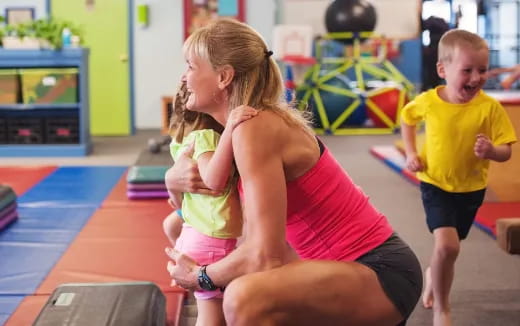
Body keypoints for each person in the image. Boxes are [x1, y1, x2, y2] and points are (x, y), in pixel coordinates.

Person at [164, 18, 422, 326]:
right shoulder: (234, 132)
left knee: (244, 297)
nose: (184, 77)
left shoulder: (254, 127)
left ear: (223, 77)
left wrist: (200, 276)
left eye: (191, 66)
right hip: (331, 269)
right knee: (238, 278)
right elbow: (221, 222)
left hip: (378, 272)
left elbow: (263, 255)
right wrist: (172, 182)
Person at [401, 29, 517, 326]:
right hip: (435, 183)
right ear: (443, 69)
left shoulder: (489, 108)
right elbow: (407, 118)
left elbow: (507, 151)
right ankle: (443, 308)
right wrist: (411, 153)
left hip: (471, 188)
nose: (477, 77)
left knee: (449, 251)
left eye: (482, 70)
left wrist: (492, 150)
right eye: (467, 70)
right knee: (448, 246)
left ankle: (433, 274)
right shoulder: (429, 101)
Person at [163, 78, 257, 326]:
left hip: (195, 232)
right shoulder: (205, 137)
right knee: (211, 313)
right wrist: (230, 129)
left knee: (213, 305)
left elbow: (178, 199)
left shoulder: (179, 141)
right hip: (209, 238)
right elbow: (214, 180)